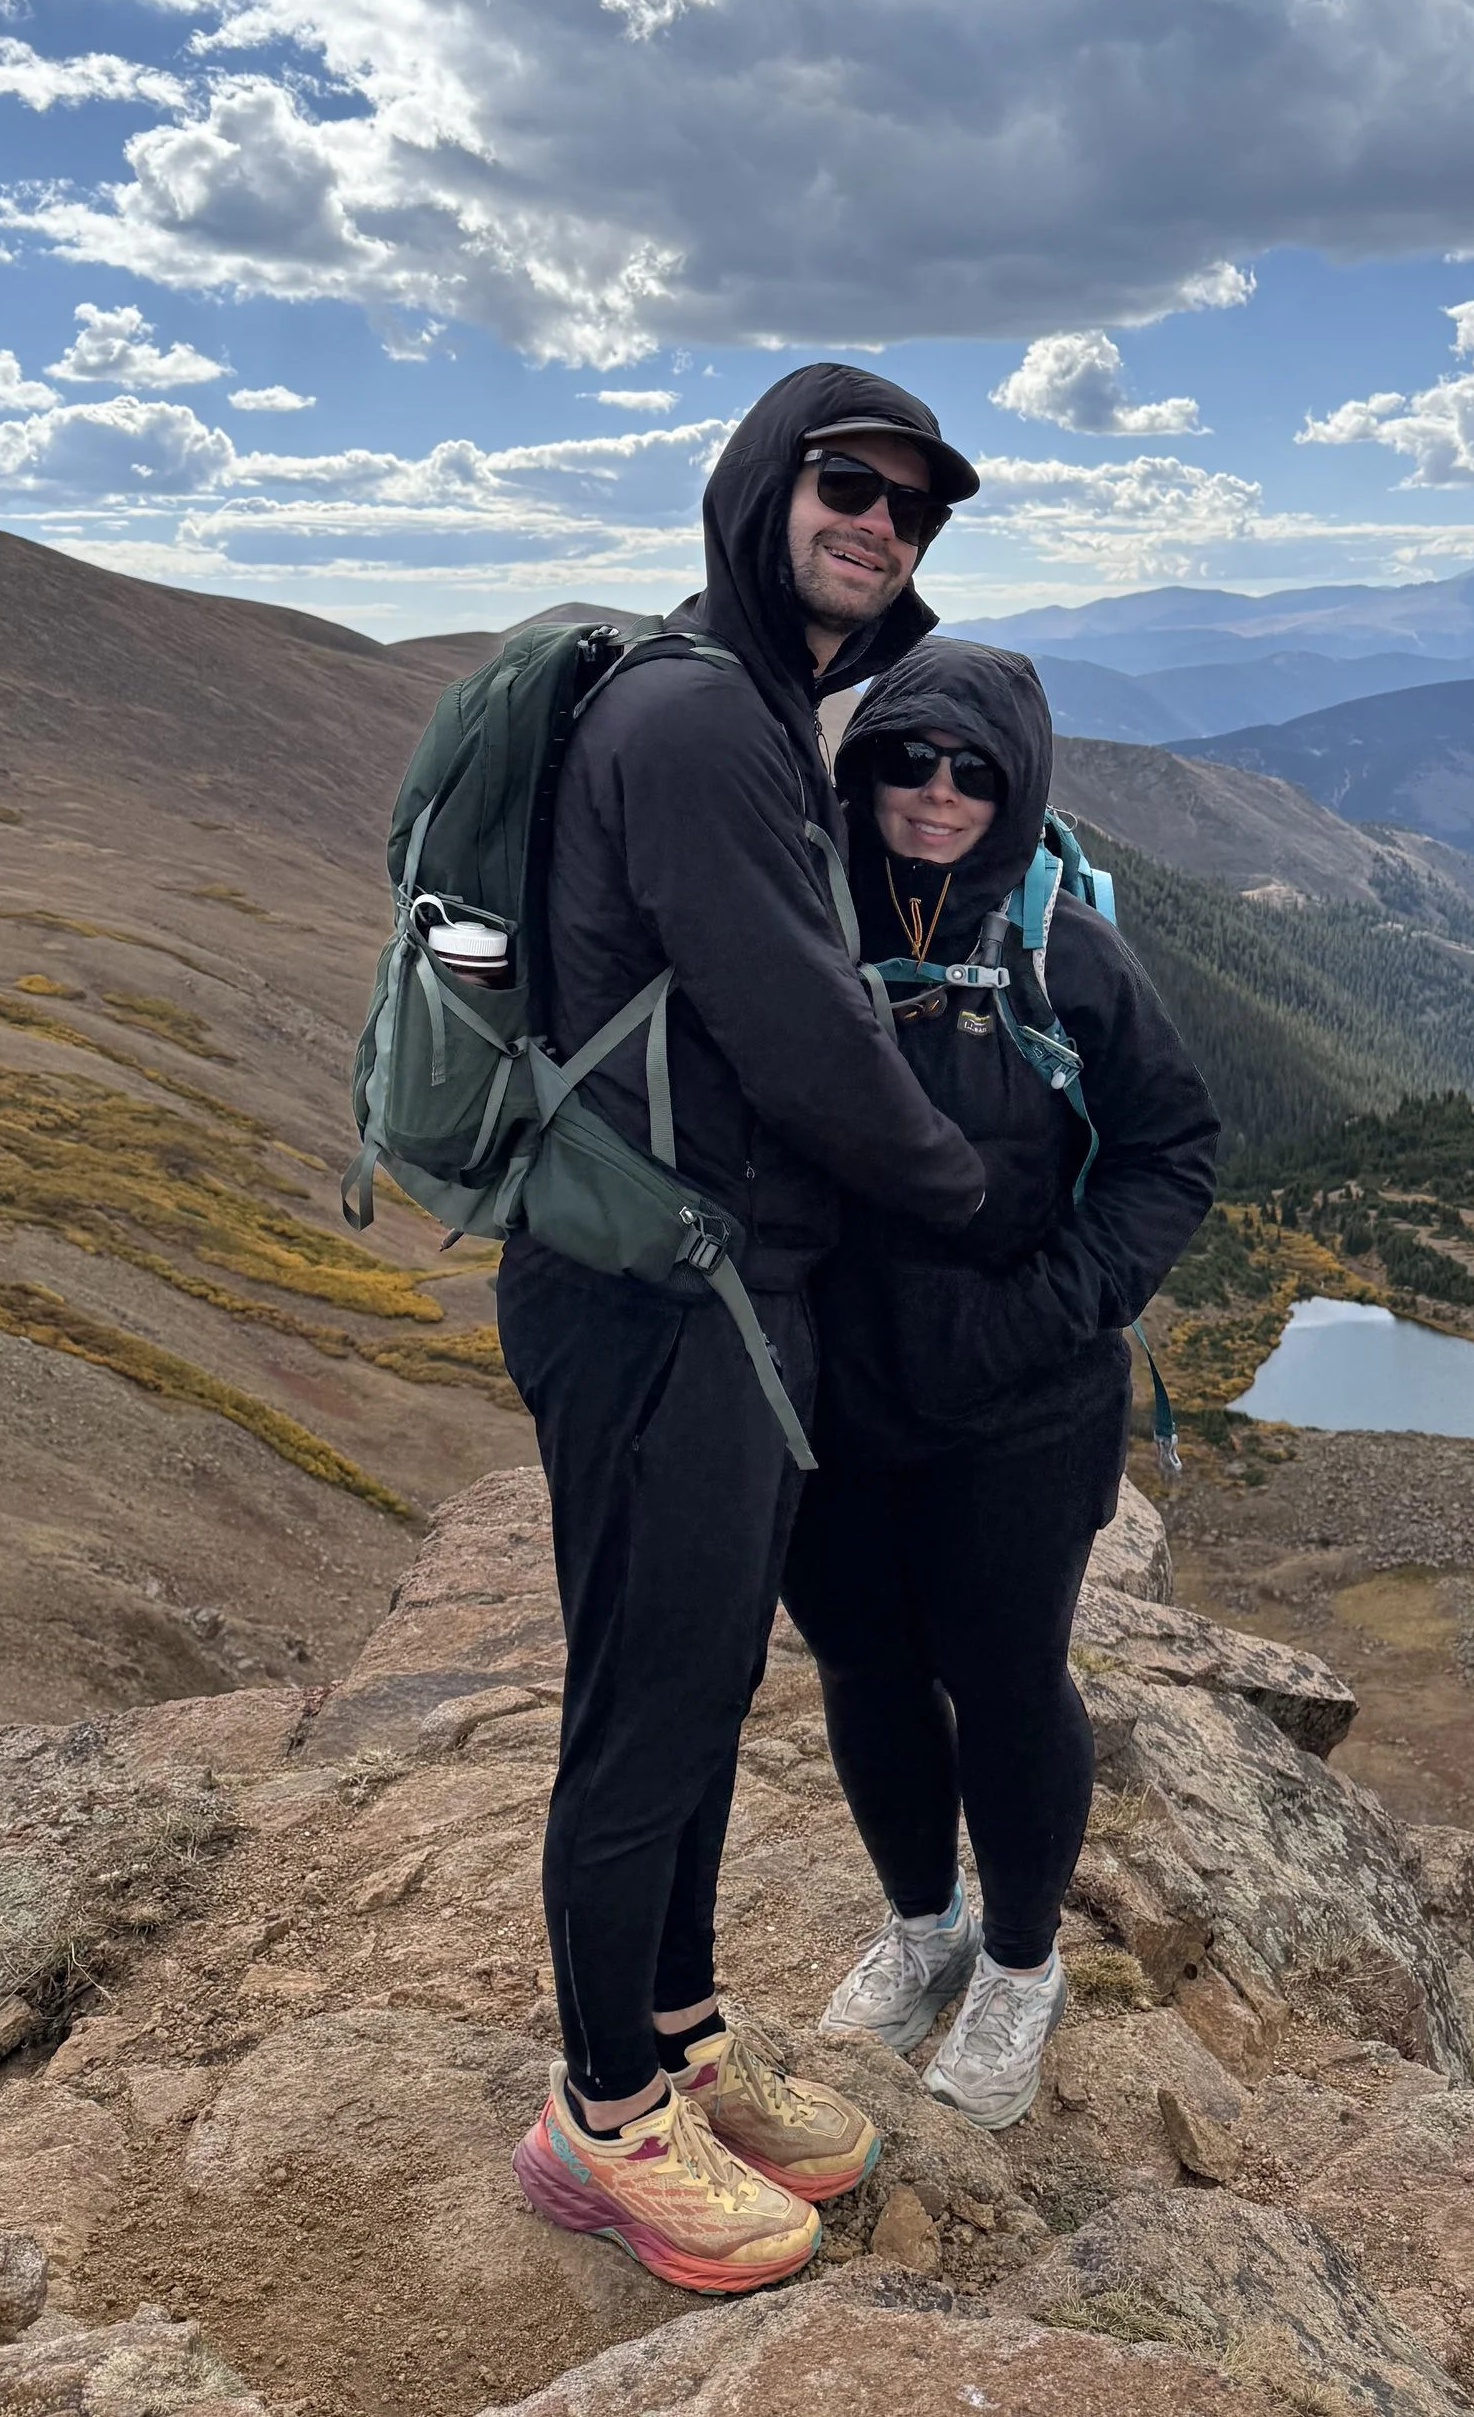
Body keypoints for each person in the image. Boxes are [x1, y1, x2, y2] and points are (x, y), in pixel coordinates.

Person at [503, 367, 993, 2295]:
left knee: (702, 1685)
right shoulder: (709, 720)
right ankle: (601, 2118)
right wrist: (966, 1197)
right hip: (656, 1299)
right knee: (644, 1708)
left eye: (915, 510)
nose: (881, 526)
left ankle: (682, 2038)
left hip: (715, 1284)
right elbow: (800, 1025)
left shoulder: (758, 702)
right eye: (849, 487)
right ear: (761, 489)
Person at [784, 638, 1219, 2129]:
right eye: (908, 759)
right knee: (864, 1668)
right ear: (863, 767)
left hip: (1020, 1404)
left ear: (1018, 781)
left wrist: (1048, 1310)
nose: (939, 793)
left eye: (976, 769)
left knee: (1007, 1678)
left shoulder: (1064, 953)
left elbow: (1173, 1151)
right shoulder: (795, 912)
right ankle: (926, 1926)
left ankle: (1022, 1966)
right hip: (833, 1399)